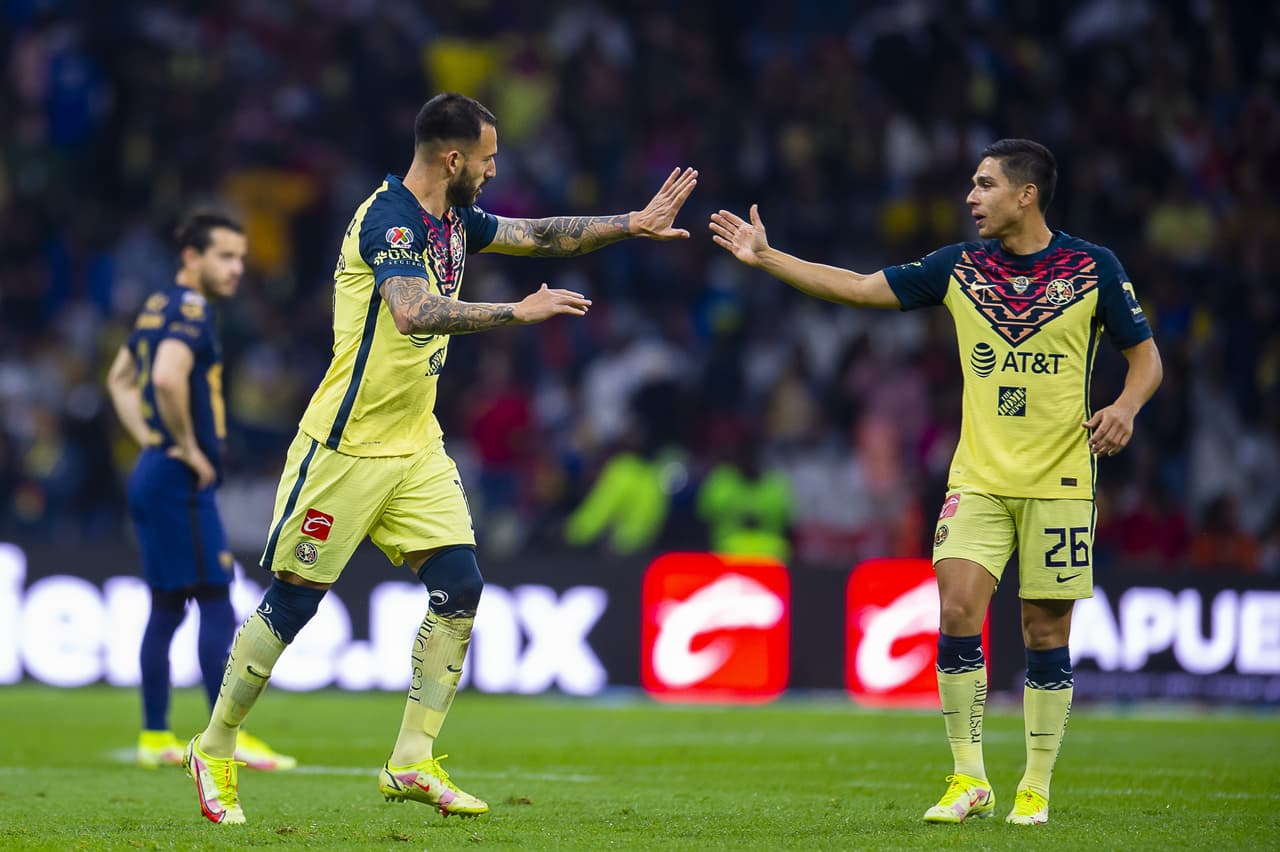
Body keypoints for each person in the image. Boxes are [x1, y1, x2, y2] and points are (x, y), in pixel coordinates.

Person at [182, 92, 697, 825]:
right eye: (487, 159)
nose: (493, 172)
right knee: (294, 601)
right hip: (346, 445)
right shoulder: (388, 220)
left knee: (460, 586)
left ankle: (411, 758)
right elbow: (412, 311)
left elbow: (538, 234)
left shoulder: (454, 220)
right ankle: (215, 746)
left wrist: (631, 223)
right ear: (453, 159)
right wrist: (516, 312)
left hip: (416, 443)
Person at [711, 139, 1162, 826]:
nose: (971, 197)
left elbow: (1146, 359)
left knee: (1044, 630)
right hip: (978, 477)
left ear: (1026, 195)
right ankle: (968, 777)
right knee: (955, 612)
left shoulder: (1092, 268)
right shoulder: (958, 268)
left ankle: (1035, 785)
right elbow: (860, 287)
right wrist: (769, 257)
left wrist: (1125, 407)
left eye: (985, 185)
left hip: (1062, 480)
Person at [105, 210, 295, 772]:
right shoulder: (190, 309)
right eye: (226, 256)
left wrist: (150, 439)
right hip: (179, 479)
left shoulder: (157, 305)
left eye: (240, 257)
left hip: (153, 471)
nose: (237, 268)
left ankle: (154, 735)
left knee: (167, 607)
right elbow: (165, 377)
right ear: (192, 257)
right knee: (215, 597)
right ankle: (224, 737)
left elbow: (119, 379)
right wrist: (184, 446)